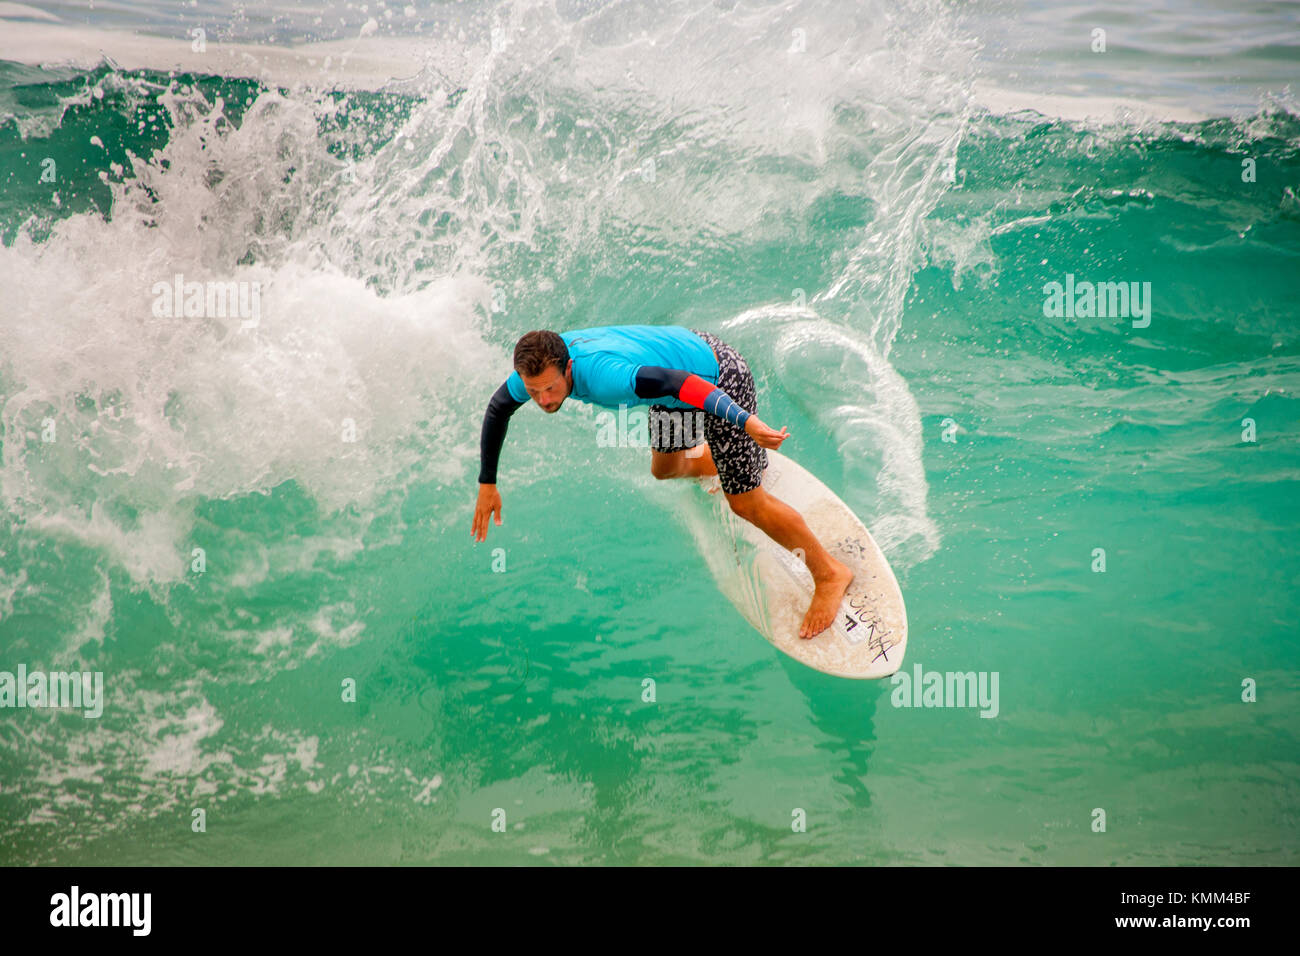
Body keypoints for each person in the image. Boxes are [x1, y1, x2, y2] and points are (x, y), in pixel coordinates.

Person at [471, 325, 853, 639]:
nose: (542, 399)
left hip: (715, 378)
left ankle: (829, 573)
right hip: (674, 382)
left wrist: (743, 421)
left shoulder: (606, 378)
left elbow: (678, 381)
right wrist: (488, 483)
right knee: (666, 469)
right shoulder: (536, 371)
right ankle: (727, 462)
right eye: (534, 392)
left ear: (569, 367)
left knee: (745, 504)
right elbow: (498, 407)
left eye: (550, 388)